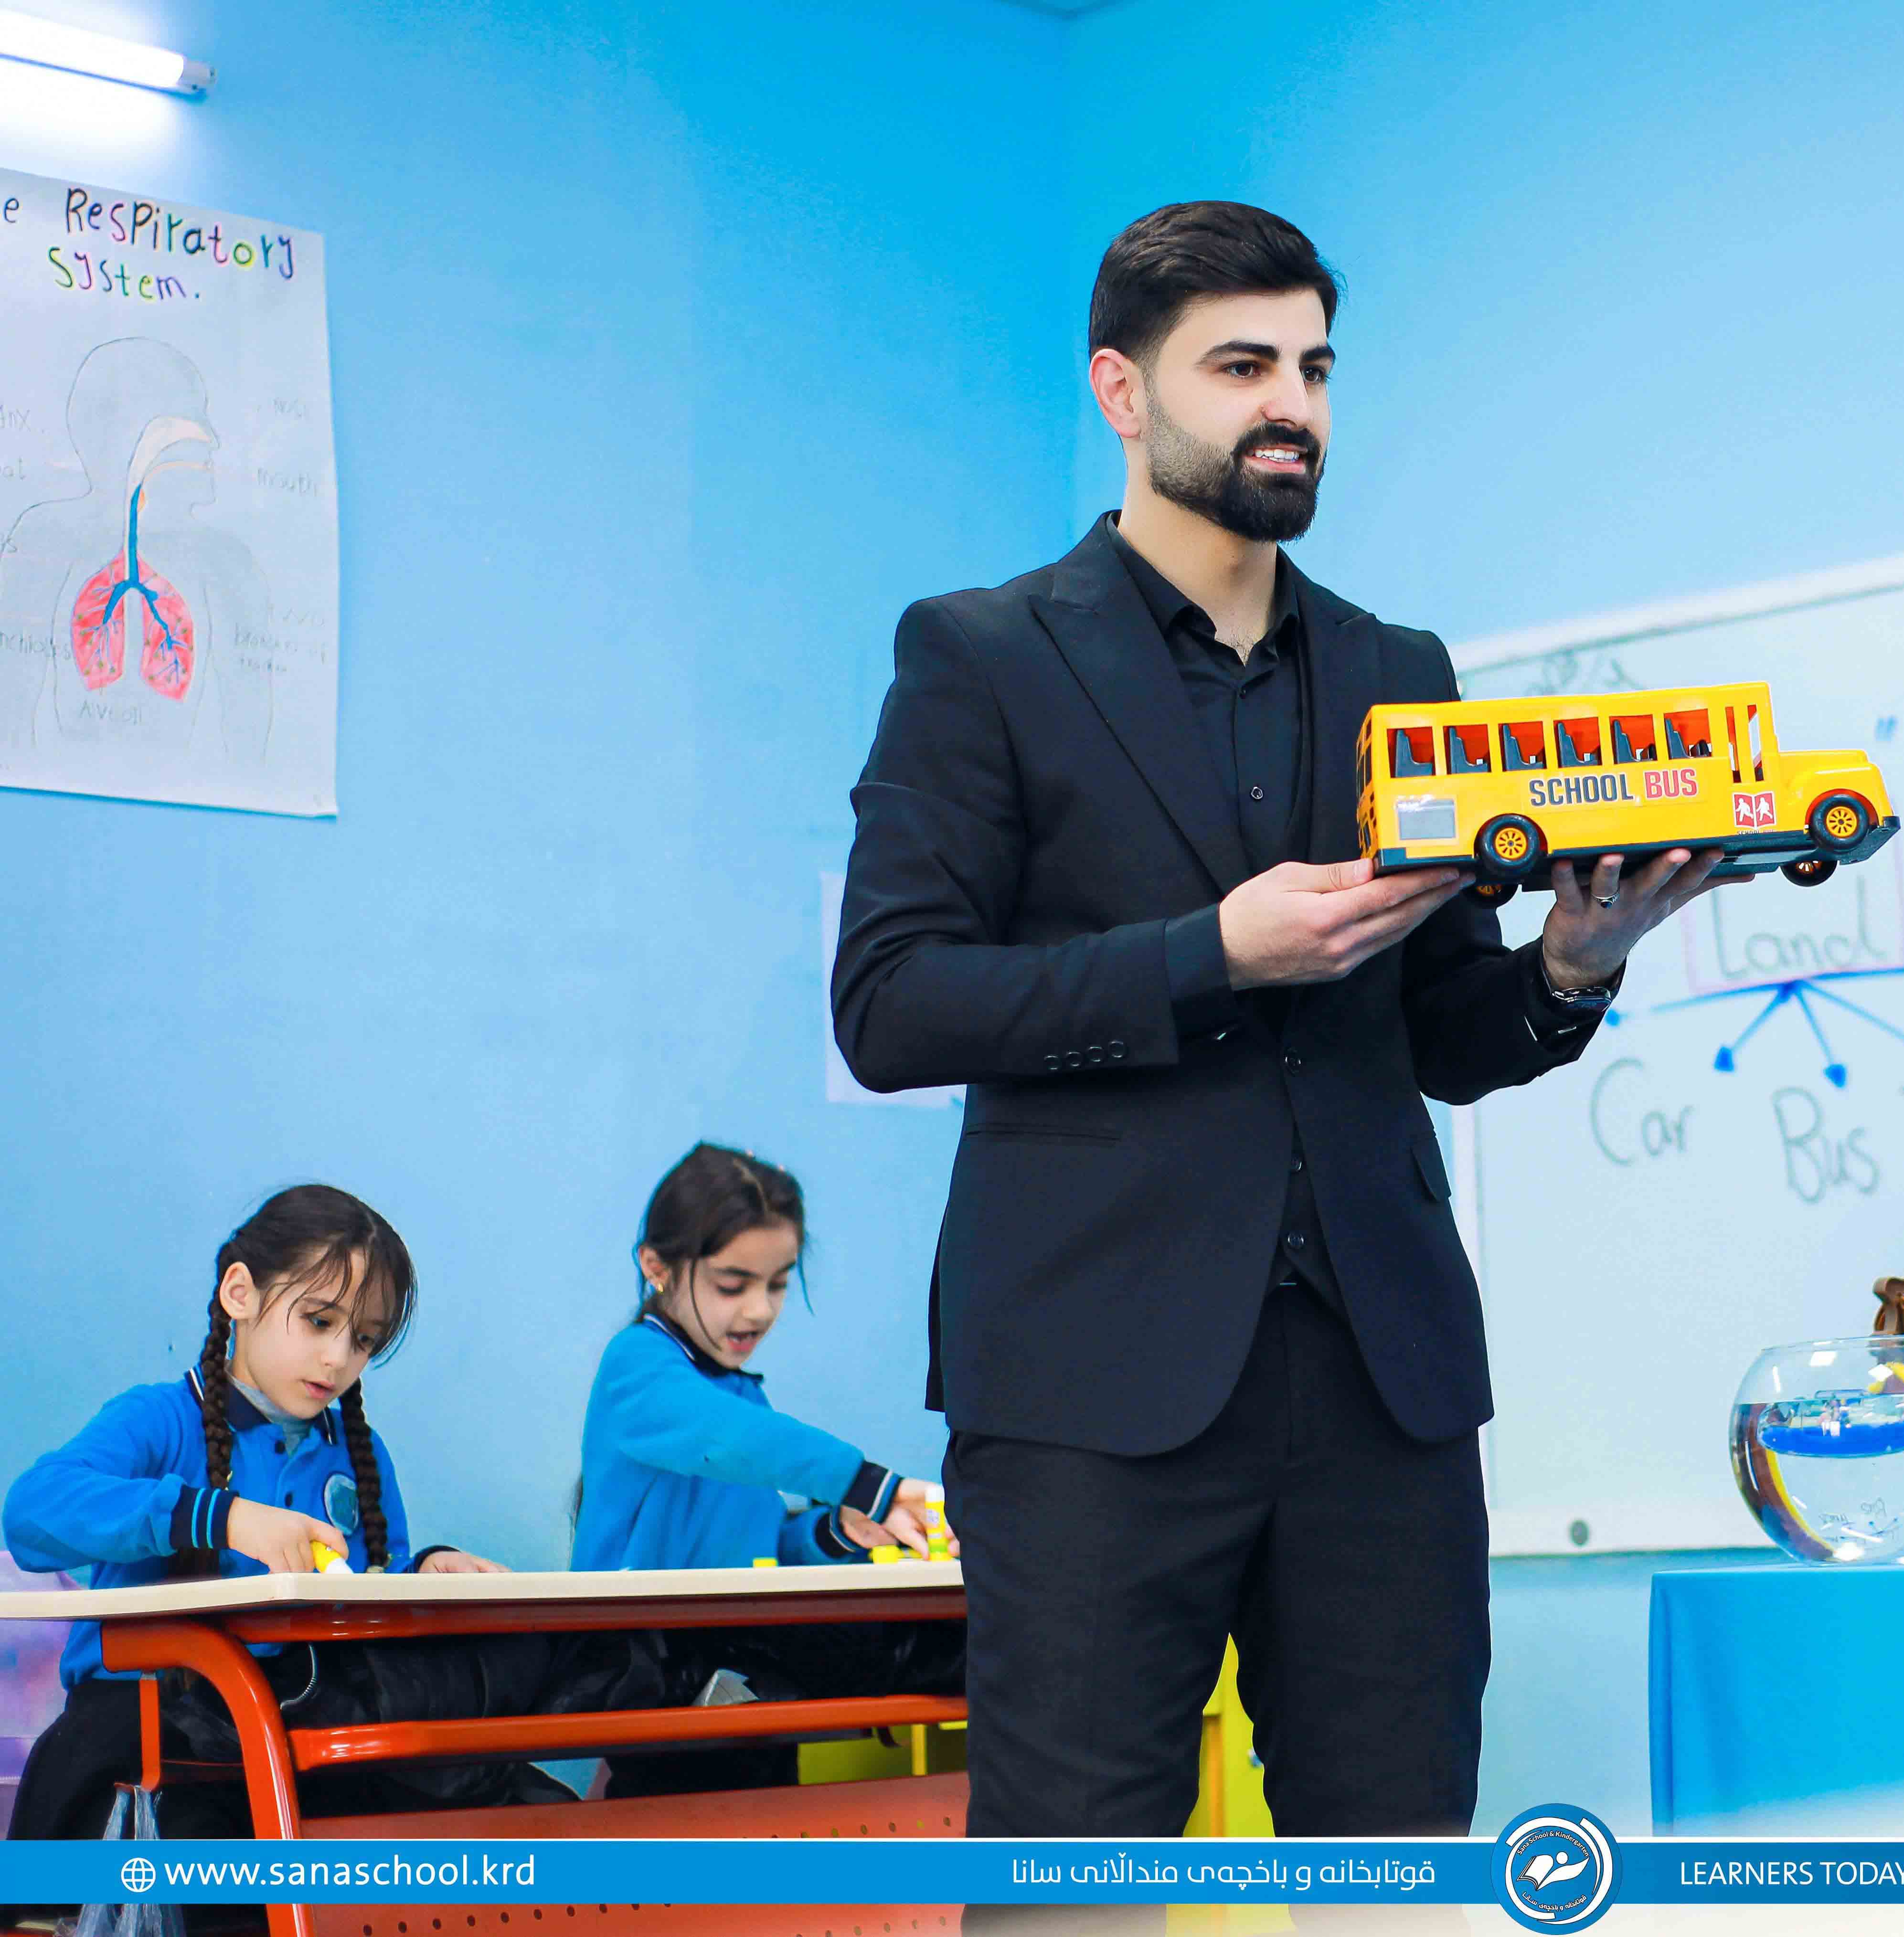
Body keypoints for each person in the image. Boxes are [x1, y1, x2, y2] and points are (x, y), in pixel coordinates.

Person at [832, 201, 1723, 1847]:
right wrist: (1212, 953)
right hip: (1090, 1393)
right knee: (1074, 1879)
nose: (1291, 405)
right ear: (1121, 389)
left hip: (1385, 1383)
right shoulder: (980, 655)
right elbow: (891, 1001)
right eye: (1241, 366)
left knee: (1396, 1863)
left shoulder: (1402, 667)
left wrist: (1569, 966)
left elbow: (1441, 1027)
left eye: (1313, 367)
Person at [1, 1185, 511, 1839]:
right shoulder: (159, 1419)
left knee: (496, 1805)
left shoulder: (360, 1454)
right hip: (151, 1745)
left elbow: (366, 1591)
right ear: (240, 1293)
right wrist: (222, 1517)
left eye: (363, 1339)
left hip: (299, 1738)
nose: (339, 1358)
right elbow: (32, 1513)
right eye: (320, 1321)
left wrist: (426, 1571)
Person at [573, 1142, 962, 1797]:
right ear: (657, 1268)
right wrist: (869, 1484)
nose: (759, 1310)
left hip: (731, 1651)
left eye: (777, 1284)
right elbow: (724, 1438)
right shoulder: (637, 1365)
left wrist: (837, 1530)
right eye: (733, 1285)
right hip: (650, 1656)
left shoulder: (738, 1393)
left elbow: (761, 1546)